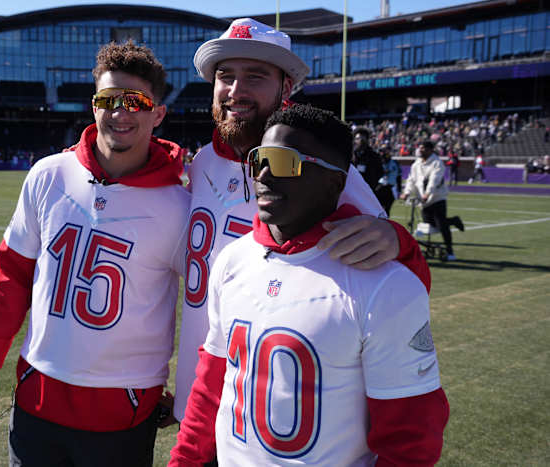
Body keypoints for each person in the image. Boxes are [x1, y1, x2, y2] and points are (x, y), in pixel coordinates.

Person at [173, 17, 431, 431]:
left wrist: (398, 240)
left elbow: (398, 279)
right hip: (202, 403)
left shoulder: (320, 171)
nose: (236, 91)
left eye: (255, 76)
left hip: (277, 420)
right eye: (226, 76)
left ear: (286, 89)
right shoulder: (201, 162)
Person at [169, 104, 449, 466]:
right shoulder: (232, 260)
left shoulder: (386, 284)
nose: (264, 175)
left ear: (335, 181)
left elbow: (412, 440)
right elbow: (210, 388)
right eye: (260, 159)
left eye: (285, 161)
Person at [0, 41, 188, 466]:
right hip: (38, 395)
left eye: (135, 102)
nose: (120, 114)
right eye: (109, 100)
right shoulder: (49, 174)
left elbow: (205, 311)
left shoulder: (181, 202)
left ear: (157, 113)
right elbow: (12, 277)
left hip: (124, 408)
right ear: (93, 105)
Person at [400, 140, 465, 261]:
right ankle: (454, 220)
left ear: (430, 150)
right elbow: (411, 179)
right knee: (430, 224)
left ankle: (450, 251)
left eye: (423, 148)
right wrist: (406, 192)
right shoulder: (416, 164)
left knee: (441, 225)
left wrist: (428, 193)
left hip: (437, 198)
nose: (420, 150)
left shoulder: (437, 163)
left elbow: (434, 179)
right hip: (423, 200)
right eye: (420, 148)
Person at [353, 126, 384, 192]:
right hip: (353, 189)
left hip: (368, 189)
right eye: (357, 138)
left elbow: (380, 172)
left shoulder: (374, 156)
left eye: (363, 138)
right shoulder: (351, 155)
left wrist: (373, 184)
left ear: (367, 140)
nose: (360, 141)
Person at [375, 149, 400, 217]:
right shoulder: (380, 163)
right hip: (381, 186)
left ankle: (385, 220)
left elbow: (398, 176)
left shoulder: (394, 163)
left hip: (390, 187)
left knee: (388, 208)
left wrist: (399, 189)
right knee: (378, 207)